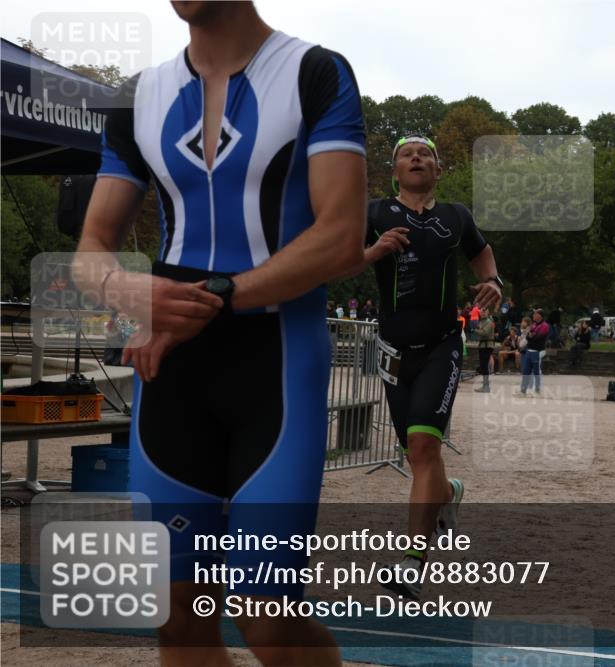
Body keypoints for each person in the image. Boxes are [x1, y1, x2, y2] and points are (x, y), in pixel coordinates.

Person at [72, 2, 367, 664]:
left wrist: (213, 296)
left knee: (266, 616)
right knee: (177, 614)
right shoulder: (138, 97)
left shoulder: (315, 73)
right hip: (170, 367)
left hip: (277, 358)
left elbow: (343, 236)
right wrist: (127, 288)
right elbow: (93, 245)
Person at [363, 134, 502, 600]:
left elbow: (480, 251)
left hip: (442, 345)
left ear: (438, 170)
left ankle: (411, 563)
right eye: (407, 154)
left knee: (423, 448)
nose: (416, 158)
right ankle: (449, 492)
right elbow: (336, 261)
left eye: (425, 154)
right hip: (392, 350)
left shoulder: (455, 216)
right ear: (395, 171)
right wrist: (373, 251)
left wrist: (492, 280)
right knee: (418, 456)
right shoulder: (374, 213)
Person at [521, 309, 549, 393]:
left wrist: (531, 335)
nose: (533, 316)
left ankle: (537, 388)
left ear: (539, 315)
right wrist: (531, 335)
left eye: (535, 314)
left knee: (536, 371)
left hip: (538, 351)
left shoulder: (544, 325)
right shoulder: (533, 325)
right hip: (529, 350)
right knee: (526, 370)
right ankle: (524, 388)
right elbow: (528, 336)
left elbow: (538, 337)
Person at [475, 306, 496, 392]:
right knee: (483, 366)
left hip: (487, 346)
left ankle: (486, 386)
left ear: (488, 312)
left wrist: (475, 330)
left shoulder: (488, 322)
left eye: (485, 311)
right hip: (483, 346)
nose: (483, 312)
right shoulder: (481, 321)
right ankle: (485, 385)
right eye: (481, 311)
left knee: (484, 366)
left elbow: (484, 333)